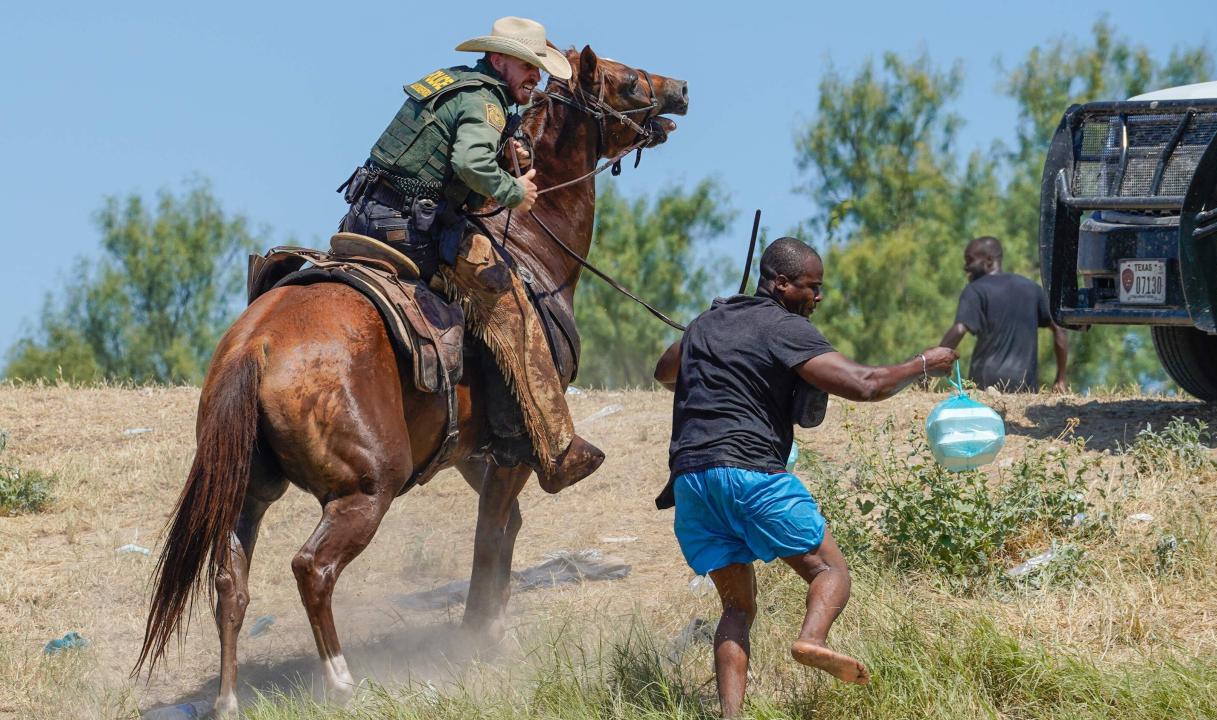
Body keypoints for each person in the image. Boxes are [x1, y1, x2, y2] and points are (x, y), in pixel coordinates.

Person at [653, 237, 957, 717]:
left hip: (691, 482)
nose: (818, 297)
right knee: (829, 570)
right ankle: (812, 639)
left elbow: (665, 370)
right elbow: (865, 384)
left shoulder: (707, 323)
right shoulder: (784, 328)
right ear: (780, 283)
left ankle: (730, 715)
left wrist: (708, 330)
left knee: (736, 609)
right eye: (811, 287)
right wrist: (924, 363)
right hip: (751, 472)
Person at [337, 17, 602, 491]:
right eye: (528, 66)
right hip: (416, 231)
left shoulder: (454, 85)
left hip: (364, 218)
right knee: (514, 305)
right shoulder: (487, 103)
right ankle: (557, 447)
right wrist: (513, 190)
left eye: (539, 70)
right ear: (499, 59)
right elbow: (469, 162)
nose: (535, 77)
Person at [940, 236, 1068, 393]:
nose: (965, 267)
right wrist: (1061, 378)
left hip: (984, 382)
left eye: (969, 260)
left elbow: (959, 329)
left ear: (988, 260)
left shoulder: (975, 290)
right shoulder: (1032, 288)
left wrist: (930, 365)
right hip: (1024, 386)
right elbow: (1060, 329)